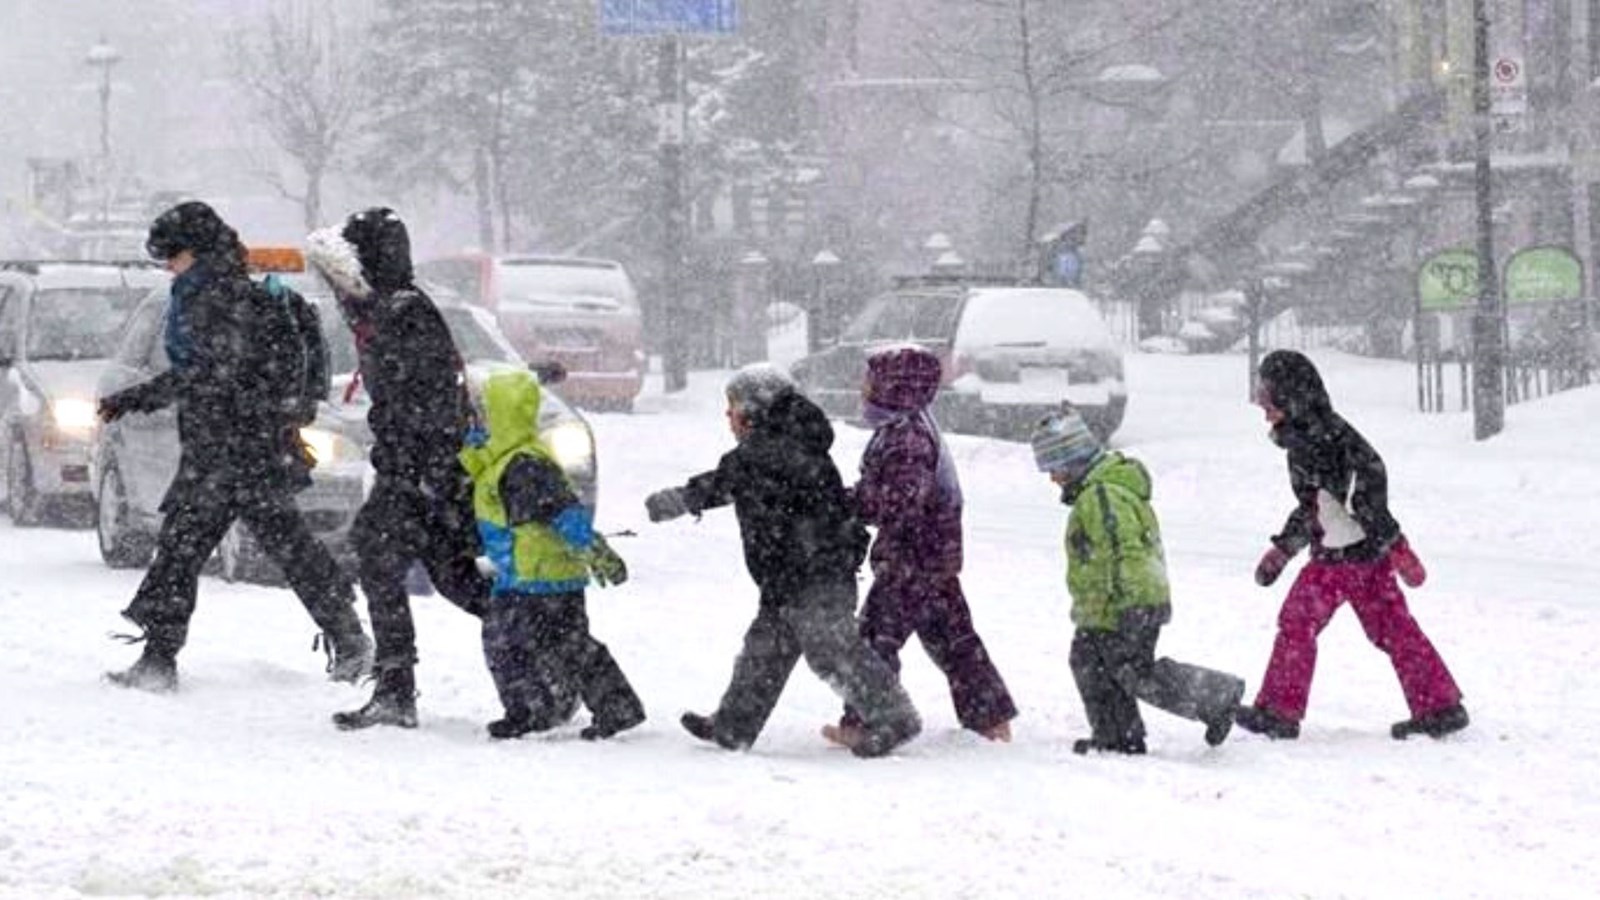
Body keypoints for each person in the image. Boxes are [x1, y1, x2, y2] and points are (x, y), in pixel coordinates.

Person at [98, 200, 371, 692]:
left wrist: (139, 396)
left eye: (171, 257)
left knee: (183, 553)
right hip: (248, 447)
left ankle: (160, 661)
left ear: (193, 252)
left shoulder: (212, 295)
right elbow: (218, 372)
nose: (168, 267)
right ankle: (350, 638)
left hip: (226, 450)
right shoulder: (227, 288)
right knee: (286, 548)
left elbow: (207, 373)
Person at [644, 364, 921, 758]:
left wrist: (681, 499)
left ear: (756, 410)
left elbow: (725, 482)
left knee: (831, 648)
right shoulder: (789, 442)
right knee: (765, 649)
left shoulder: (767, 452)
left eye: (734, 408)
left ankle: (894, 716)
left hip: (816, 573)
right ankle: (734, 724)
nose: (729, 416)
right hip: (791, 574)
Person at [304, 208, 494, 731]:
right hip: (423, 468)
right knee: (456, 578)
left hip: (420, 470)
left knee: (379, 557)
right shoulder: (389, 310)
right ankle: (558, 660)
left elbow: (427, 400)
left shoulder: (400, 313)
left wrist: (416, 470)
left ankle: (397, 689)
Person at [1235, 350, 1467, 741]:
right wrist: (1284, 549)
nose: (1263, 406)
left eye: (1268, 396)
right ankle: (1439, 706)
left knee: (1298, 622)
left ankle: (1279, 711)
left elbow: (1366, 491)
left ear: (1290, 395)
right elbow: (1317, 506)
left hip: (1341, 561)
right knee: (1392, 628)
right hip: (1360, 557)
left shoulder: (1324, 440)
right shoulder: (1305, 435)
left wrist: (1396, 543)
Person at [822, 345, 1016, 748]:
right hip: (932, 556)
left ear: (896, 388)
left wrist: (845, 503)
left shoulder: (906, 437)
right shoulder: (909, 427)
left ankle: (870, 719)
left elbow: (898, 500)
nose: (862, 389)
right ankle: (989, 716)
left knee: (874, 640)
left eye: (870, 381)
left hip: (911, 558)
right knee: (953, 636)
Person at [1031, 406, 1244, 755]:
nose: (1052, 478)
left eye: (1053, 468)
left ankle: (1215, 696)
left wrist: (1126, 603)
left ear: (1072, 461)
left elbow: (1123, 550)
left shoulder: (1101, 496)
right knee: (1097, 665)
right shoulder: (1100, 491)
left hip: (1125, 603)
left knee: (1131, 671)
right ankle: (1118, 736)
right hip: (1113, 604)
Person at [459, 368, 645, 740]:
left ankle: (541, 709)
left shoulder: (524, 465)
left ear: (501, 416)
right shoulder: (502, 460)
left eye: (482, 413)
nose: (475, 420)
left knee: (527, 643)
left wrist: (595, 550)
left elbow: (566, 515)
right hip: (527, 575)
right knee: (551, 643)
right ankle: (559, 706)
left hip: (541, 578)